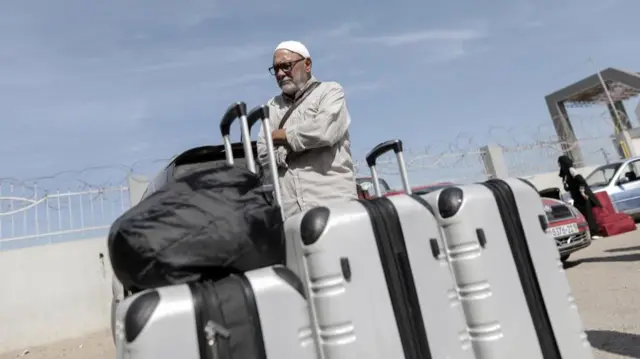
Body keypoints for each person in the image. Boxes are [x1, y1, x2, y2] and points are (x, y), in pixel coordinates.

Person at [256, 40, 357, 218]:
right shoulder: (271, 107)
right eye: (276, 69)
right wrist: (293, 146)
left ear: (307, 64)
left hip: (334, 206)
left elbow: (324, 131)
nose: (280, 74)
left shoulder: (330, 91)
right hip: (290, 213)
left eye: (286, 66)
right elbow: (264, 153)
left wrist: (282, 137)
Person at [558, 155, 602, 239]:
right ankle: (584, 234)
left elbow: (581, 181)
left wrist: (582, 192)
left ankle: (595, 233)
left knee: (588, 215)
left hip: (583, 196)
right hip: (577, 198)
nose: (560, 166)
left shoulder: (571, 170)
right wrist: (566, 186)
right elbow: (571, 186)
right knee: (580, 216)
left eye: (560, 164)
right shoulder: (565, 174)